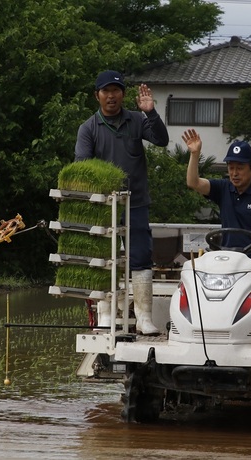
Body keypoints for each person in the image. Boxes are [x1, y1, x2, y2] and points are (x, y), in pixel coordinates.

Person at [75, 70, 169, 335]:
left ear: (123, 95)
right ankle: (105, 315)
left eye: (116, 90)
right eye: (106, 91)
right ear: (97, 96)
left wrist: (151, 112)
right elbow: (82, 166)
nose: (111, 96)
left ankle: (144, 317)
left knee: (140, 257)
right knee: (104, 259)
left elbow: (161, 140)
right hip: (104, 206)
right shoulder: (88, 128)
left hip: (136, 203)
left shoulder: (137, 120)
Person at [182, 129, 251, 288]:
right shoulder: (223, 188)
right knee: (195, 270)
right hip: (226, 257)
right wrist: (195, 154)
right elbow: (193, 182)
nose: (234, 173)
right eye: (231, 167)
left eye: (240, 168)